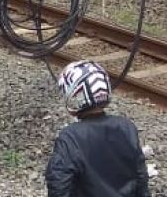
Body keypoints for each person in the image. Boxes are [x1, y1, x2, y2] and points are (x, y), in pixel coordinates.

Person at [45, 60, 150, 197]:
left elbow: (58, 185)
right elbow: (141, 177)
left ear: (75, 96)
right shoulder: (126, 127)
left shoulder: (71, 137)